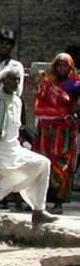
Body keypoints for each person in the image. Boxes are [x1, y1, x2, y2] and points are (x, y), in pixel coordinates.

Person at [0, 70, 58, 249]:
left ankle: (38, 211)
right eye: (11, 79)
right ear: (2, 80)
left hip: (14, 150)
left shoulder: (17, 101)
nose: (14, 82)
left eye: (18, 79)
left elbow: (16, 130)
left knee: (43, 164)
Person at [33, 53, 80, 213]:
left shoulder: (75, 85)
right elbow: (39, 103)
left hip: (64, 130)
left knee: (60, 164)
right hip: (46, 129)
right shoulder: (47, 83)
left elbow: (76, 107)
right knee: (43, 161)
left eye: (64, 65)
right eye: (58, 65)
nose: (61, 68)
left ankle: (59, 201)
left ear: (70, 67)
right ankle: (41, 200)